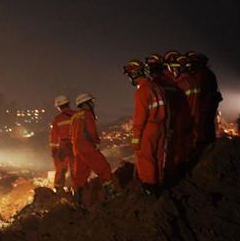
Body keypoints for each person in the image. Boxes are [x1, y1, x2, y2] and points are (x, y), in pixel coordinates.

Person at [124, 59, 168, 194]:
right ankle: (159, 185)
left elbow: (139, 117)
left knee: (146, 158)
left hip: (148, 129)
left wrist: (136, 138)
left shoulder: (141, 91)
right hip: (161, 127)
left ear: (134, 74)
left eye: (129, 75)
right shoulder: (157, 87)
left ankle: (150, 188)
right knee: (158, 157)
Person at [70, 93, 117, 205]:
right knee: (104, 168)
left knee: (80, 176)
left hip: (77, 150)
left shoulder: (74, 117)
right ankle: (111, 194)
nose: (92, 104)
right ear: (86, 103)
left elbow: (71, 135)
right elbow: (91, 132)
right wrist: (96, 142)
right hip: (88, 148)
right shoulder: (87, 114)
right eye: (91, 102)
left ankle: (77, 202)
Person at [186, 51, 222, 145]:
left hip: (204, 106)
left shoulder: (202, 74)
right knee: (208, 126)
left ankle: (204, 145)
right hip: (208, 105)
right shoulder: (208, 73)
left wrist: (202, 107)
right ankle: (208, 144)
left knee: (204, 127)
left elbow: (204, 92)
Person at [49, 95, 75, 194]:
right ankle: (79, 188)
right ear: (68, 104)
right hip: (76, 144)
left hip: (64, 145)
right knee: (76, 168)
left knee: (61, 168)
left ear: (59, 107)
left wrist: (54, 150)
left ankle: (59, 190)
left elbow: (53, 136)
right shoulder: (77, 115)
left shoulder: (58, 119)